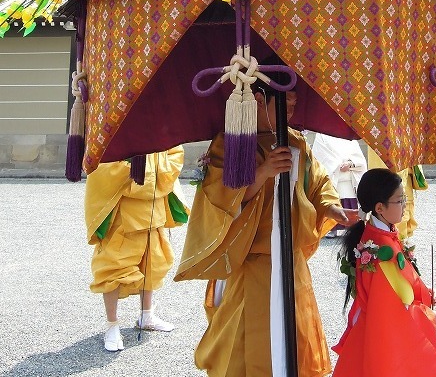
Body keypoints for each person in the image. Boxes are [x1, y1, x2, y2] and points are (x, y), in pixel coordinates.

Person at [174, 73, 357, 376]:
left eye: (295, 105)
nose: (293, 111)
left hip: (291, 263)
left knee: (295, 339)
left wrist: (331, 206)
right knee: (245, 346)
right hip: (252, 263)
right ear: (259, 100)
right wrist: (263, 172)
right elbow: (219, 199)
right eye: (287, 104)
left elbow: (318, 182)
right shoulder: (230, 144)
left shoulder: (295, 142)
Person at [333, 168, 436, 377]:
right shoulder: (379, 252)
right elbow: (396, 308)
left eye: (404, 198)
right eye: (400, 200)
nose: (405, 205)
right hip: (382, 337)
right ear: (380, 207)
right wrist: (427, 314)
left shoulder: (376, 236)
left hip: (368, 331)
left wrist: (426, 293)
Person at [84, 146, 189, 352]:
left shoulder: (159, 125)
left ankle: (146, 314)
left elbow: (174, 156)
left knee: (153, 262)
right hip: (124, 210)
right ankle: (112, 325)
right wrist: (136, 172)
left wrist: (151, 172)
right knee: (114, 267)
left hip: (154, 207)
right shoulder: (115, 122)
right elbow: (102, 166)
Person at [311, 133, 367, 237]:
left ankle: (352, 226)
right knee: (332, 201)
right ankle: (331, 228)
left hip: (350, 175)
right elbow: (321, 156)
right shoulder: (322, 135)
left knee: (350, 202)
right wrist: (337, 165)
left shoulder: (349, 134)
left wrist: (350, 163)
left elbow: (359, 158)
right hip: (334, 175)